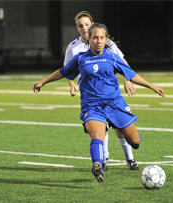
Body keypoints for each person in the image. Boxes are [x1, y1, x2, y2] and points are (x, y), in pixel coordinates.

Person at [33, 23, 165, 183]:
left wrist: (152, 86)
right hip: (92, 106)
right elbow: (62, 72)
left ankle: (122, 149)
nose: (98, 41)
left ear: (106, 39)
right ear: (89, 39)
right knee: (97, 136)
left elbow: (132, 74)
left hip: (115, 104)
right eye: (95, 37)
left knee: (135, 141)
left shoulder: (112, 57)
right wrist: (43, 81)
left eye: (102, 38)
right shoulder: (81, 58)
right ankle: (97, 164)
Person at [64, 11, 139, 172]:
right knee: (100, 128)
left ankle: (130, 159)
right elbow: (66, 69)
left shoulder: (106, 43)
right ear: (77, 28)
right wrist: (71, 84)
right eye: (80, 26)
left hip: (109, 91)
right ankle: (103, 160)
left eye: (87, 24)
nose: (84, 28)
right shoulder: (73, 48)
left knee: (120, 127)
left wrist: (127, 80)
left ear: (92, 24)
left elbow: (122, 62)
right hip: (89, 94)